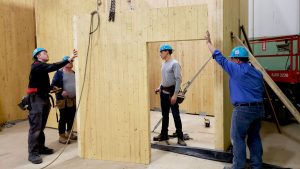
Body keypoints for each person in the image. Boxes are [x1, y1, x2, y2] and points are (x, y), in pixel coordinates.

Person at [205, 31, 265, 169]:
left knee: (238, 139)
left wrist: (208, 43)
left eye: (233, 58)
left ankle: (238, 167)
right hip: (259, 108)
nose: (231, 61)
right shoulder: (257, 73)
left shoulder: (236, 69)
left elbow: (219, 57)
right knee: (254, 137)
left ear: (237, 60)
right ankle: (257, 166)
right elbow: (260, 90)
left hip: (243, 110)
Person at [27, 48, 78, 164]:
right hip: (36, 100)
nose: (47, 54)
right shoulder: (36, 66)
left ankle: (41, 147)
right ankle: (32, 153)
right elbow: (52, 67)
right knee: (35, 128)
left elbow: (41, 84)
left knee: (41, 126)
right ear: (38, 56)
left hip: (43, 98)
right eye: (44, 53)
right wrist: (68, 59)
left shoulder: (41, 69)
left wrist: (51, 88)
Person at [153, 44, 187, 146]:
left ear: (167, 51)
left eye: (161, 52)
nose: (160, 54)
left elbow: (178, 79)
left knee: (176, 115)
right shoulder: (164, 64)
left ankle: (180, 137)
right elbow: (164, 78)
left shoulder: (175, 64)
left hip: (172, 93)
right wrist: (160, 87)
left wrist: (175, 95)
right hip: (163, 92)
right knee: (165, 115)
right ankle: (164, 134)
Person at [51, 56, 77, 144]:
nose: (71, 63)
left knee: (71, 117)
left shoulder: (74, 72)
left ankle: (69, 133)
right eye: (69, 61)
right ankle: (62, 136)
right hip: (63, 101)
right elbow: (53, 86)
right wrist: (61, 91)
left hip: (73, 100)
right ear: (64, 62)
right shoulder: (59, 73)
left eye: (72, 61)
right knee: (63, 118)